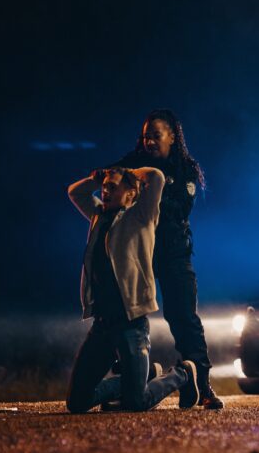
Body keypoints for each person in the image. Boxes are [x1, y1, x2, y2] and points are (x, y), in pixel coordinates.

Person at [108, 109, 223, 409]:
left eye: (155, 136)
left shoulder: (186, 169)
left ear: (172, 136)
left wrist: (150, 188)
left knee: (184, 318)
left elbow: (178, 209)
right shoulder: (132, 164)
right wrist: (104, 175)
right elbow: (110, 181)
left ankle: (200, 386)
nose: (149, 142)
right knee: (127, 317)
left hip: (174, 253)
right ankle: (130, 380)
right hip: (138, 255)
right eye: (145, 136)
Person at [65, 166, 200, 413]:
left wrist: (127, 171)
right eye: (104, 188)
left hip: (131, 324)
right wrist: (95, 178)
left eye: (113, 187)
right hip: (102, 326)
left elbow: (157, 177)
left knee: (134, 404)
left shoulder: (141, 217)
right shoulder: (98, 215)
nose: (105, 191)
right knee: (77, 403)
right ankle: (145, 374)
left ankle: (182, 374)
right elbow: (75, 192)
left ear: (131, 194)